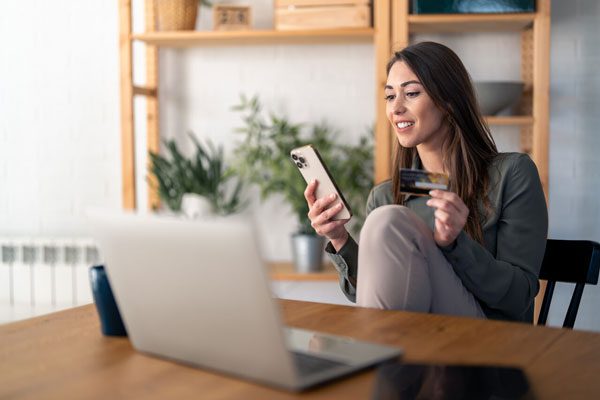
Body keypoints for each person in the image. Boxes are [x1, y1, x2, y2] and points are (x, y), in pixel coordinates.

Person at [303, 41, 548, 323]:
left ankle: (372, 358)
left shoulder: (512, 174)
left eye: (411, 93)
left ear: (448, 101)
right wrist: (338, 238)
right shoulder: (386, 195)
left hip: (489, 341)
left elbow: (519, 297)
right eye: (389, 96)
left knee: (388, 220)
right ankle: (379, 358)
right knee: (387, 218)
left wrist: (456, 244)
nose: (396, 108)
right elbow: (378, 297)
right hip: (417, 337)